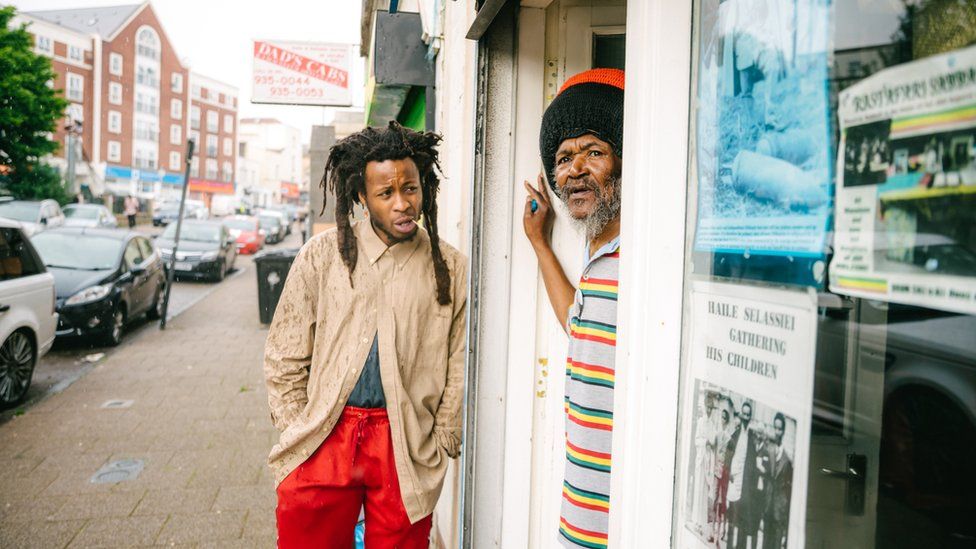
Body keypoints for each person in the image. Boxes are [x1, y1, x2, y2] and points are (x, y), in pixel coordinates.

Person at [264, 121, 467, 548]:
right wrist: (294, 424)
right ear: (361, 196)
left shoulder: (450, 267)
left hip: (404, 437)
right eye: (386, 193)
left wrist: (444, 429)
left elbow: (460, 355)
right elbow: (285, 350)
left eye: (410, 189)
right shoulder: (321, 257)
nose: (402, 204)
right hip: (326, 432)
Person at [523, 68, 624, 549]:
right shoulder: (598, 249)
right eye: (563, 158)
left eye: (594, 152)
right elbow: (579, 327)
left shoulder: (641, 254)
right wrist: (540, 244)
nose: (574, 170)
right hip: (583, 504)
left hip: (625, 509)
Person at [762, 413, 792, 549]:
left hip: (779, 510)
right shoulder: (769, 450)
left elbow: (788, 487)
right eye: (775, 428)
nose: (777, 431)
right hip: (768, 506)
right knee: (765, 543)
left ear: (783, 431)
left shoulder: (787, 459)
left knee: (775, 545)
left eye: (780, 429)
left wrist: (784, 506)